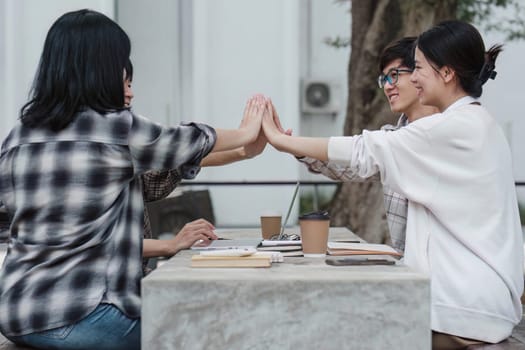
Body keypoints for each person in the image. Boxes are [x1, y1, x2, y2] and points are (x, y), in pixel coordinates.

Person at [0, 9, 270, 350]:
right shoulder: (114, 128)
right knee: (213, 324)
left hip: (16, 314)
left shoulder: (17, 138)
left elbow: (7, 222)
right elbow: (181, 141)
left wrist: (244, 151)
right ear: (99, 67)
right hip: (84, 316)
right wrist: (247, 132)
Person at [262, 20, 523, 348]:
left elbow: (362, 151)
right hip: (476, 305)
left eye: (418, 68)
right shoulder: (474, 123)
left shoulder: (450, 128)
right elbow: (365, 157)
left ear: (446, 73)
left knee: (327, 323)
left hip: (463, 309)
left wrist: (280, 140)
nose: (412, 78)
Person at [296, 36, 438, 254]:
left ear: (420, 74)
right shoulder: (395, 137)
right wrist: (295, 147)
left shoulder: (444, 131)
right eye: (384, 80)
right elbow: (350, 165)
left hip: (450, 269)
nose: (388, 87)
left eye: (394, 75)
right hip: (414, 265)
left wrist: (286, 142)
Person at [122, 61, 268, 270]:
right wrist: (171, 244)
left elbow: (171, 163)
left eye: (130, 84)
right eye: (124, 84)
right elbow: (177, 145)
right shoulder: (115, 133)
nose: (131, 94)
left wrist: (243, 151)